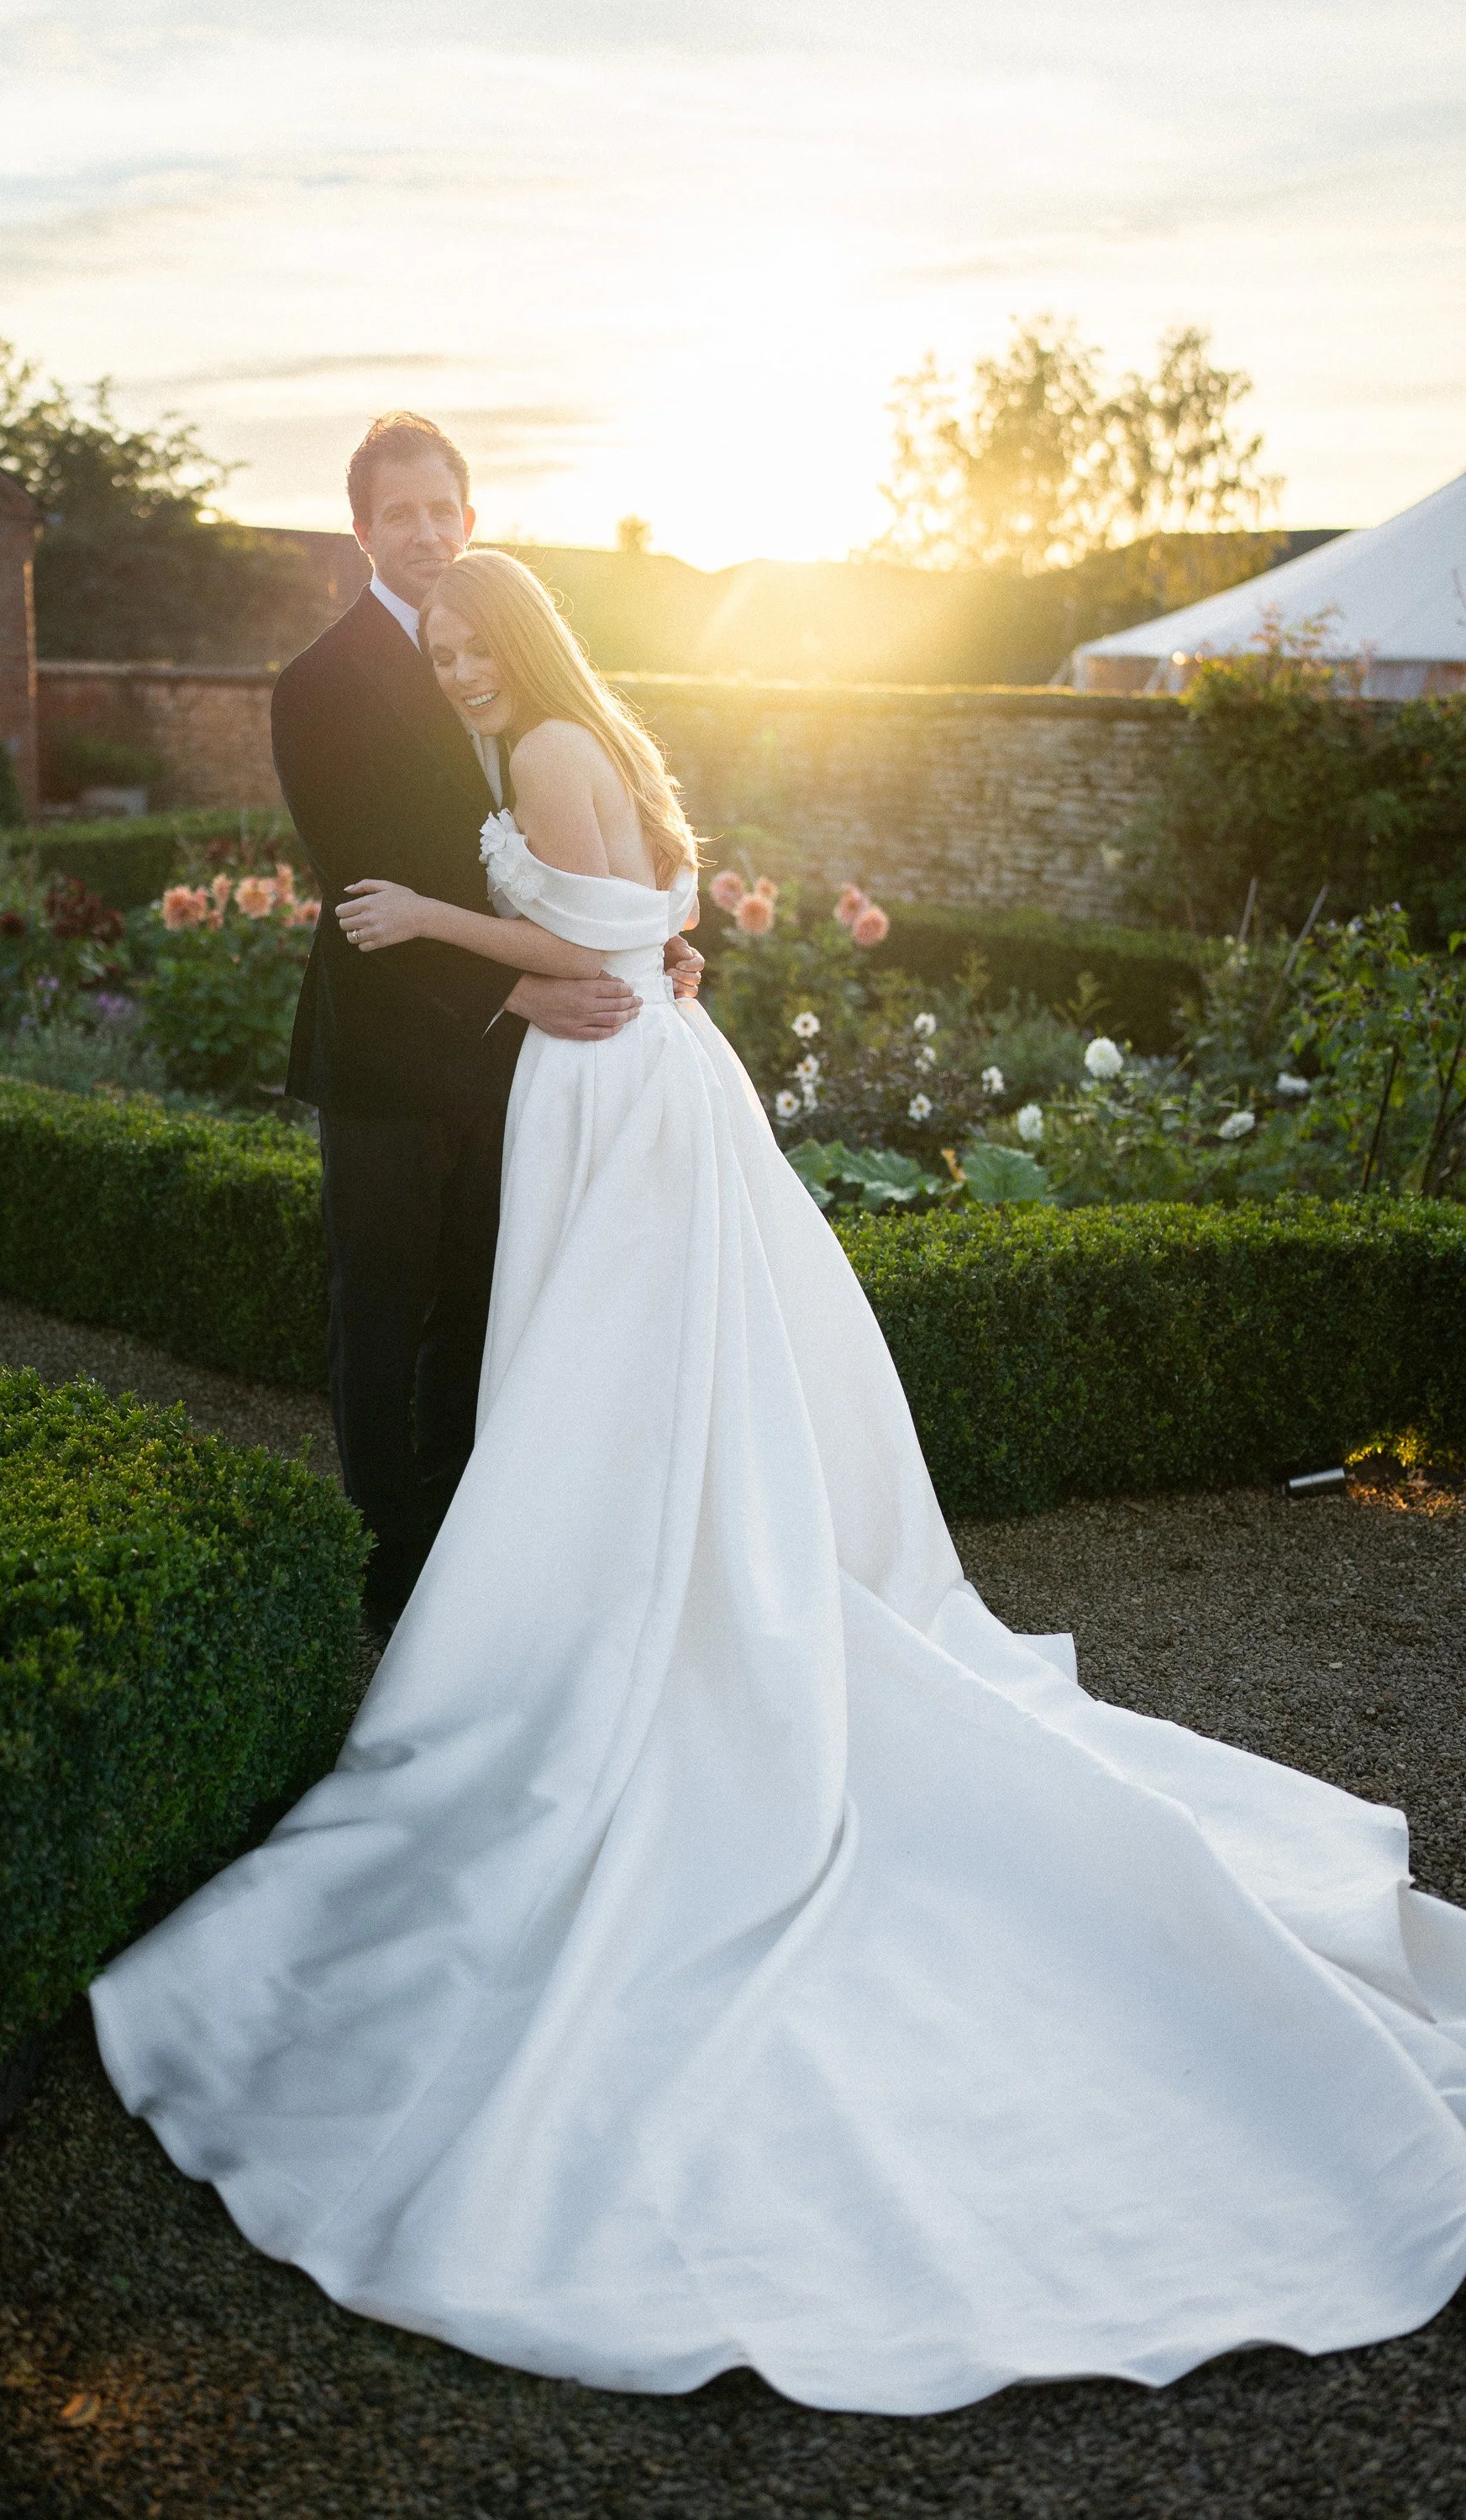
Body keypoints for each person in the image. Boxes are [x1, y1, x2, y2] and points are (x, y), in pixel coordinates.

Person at [92, 551, 1466, 2417]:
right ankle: (606, 1592)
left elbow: (595, 945)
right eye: (457, 646)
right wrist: (621, 949)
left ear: (535, 641)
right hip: (620, 1080)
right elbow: (641, 918)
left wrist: (437, 916)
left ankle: (632, 1615)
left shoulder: (559, 736)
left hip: (622, 1089)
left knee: (619, 1389)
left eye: (491, 637)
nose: (473, 663)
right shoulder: (557, 740)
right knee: (608, 1387)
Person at [269, 415, 697, 1629]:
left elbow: (574, 845)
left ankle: (470, 1548)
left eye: (437, 510)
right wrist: (525, 986)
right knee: (381, 1312)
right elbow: (362, 887)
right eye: (394, 514)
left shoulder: (499, 663)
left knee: (482, 1303)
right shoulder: (316, 685)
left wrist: (643, 940)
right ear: (360, 531)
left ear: (469, 517)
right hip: (390, 1054)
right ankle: (390, 1576)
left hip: (521, 1063)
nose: (419, 531)